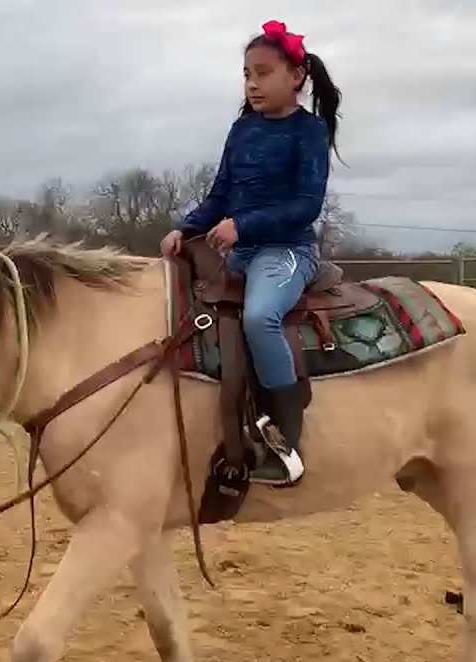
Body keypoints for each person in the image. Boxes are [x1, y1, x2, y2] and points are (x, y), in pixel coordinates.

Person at [161, 19, 342, 484]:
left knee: (260, 318)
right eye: (247, 74)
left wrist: (243, 226)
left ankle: (286, 441)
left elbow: (306, 205)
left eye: (263, 73)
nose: (252, 84)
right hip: (238, 254)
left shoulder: (309, 131)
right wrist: (185, 228)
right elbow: (220, 194)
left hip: (286, 252)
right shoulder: (242, 130)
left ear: (296, 76)